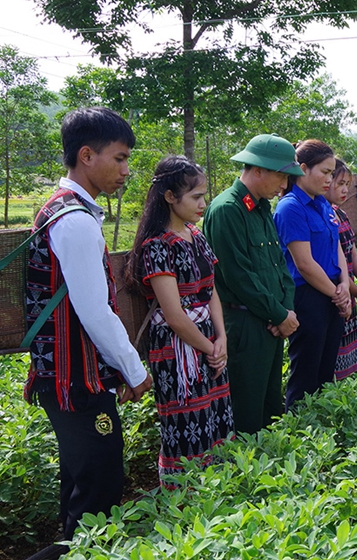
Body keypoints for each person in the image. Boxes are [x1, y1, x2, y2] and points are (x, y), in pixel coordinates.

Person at [24, 107, 153, 541]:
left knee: (84, 482)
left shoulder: (67, 211)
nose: (126, 170)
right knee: (99, 487)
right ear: (86, 155)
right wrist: (134, 371)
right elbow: (95, 311)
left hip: (68, 374)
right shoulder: (74, 220)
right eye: (119, 158)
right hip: (73, 381)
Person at [126, 156, 233, 487]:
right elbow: (173, 314)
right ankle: (182, 496)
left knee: (216, 416)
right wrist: (209, 348)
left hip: (208, 338)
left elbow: (211, 290)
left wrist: (221, 339)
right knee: (186, 422)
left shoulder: (195, 236)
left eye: (203, 196)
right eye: (195, 197)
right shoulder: (156, 246)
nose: (203, 204)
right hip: (178, 348)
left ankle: (220, 490)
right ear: (170, 197)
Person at [202, 134, 300, 434]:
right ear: (258, 170)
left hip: (269, 323)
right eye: (281, 176)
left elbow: (279, 266)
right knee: (246, 411)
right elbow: (239, 276)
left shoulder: (260, 209)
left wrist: (286, 311)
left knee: (270, 407)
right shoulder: (227, 210)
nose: (283, 186)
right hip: (244, 324)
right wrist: (279, 316)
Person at [274, 140, 351, 409]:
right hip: (308, 296)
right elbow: (304, 264)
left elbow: (337, 246)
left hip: (331, 290)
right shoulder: (290, 207)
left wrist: (343, 283)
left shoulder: (322, 204)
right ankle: (297, 427)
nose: (330, 180)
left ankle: (320, 431)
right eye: (325, 172)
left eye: (332, 173)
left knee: (326, 368)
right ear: (303, 169)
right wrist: (338, 294)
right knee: (306, 369)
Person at [324, 159, 357, 380]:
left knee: (348, 360)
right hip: (335, 294)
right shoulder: (320, 215)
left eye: (347, 183)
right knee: (329, 364)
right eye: (339, 183)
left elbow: (352, 253)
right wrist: (355, 291)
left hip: (349, 291)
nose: (345, 189)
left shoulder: (341, 214)